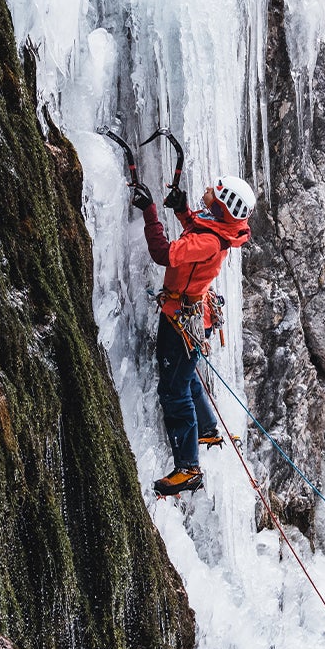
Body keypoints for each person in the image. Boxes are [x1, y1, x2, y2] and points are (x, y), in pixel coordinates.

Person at [134, 174, 254, 495]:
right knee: (185, 378)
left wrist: (150, 212)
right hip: (196, 315)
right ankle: (207, 429)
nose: (206, 194)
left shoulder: (210, 242)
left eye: (212, 195)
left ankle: (188, 468)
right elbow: (200, 232)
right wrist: (184, 211)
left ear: (224, 207)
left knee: (173, 391)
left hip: (181, 321)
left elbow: (165, 253)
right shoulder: (219, 232)